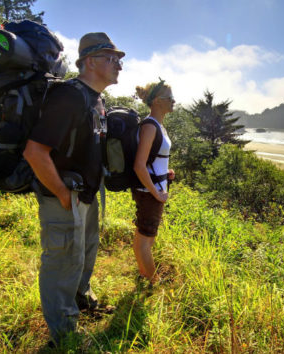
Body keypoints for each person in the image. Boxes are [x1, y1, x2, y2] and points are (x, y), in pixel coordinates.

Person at [23, 32, 124, 345]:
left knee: (83, 256)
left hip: (86, 196)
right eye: (111, 58)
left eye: (119, 59)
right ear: (90, 62)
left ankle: (82, 299)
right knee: (63, 263)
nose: (118, 64)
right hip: (64, 195)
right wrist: (62, 195)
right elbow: (35, 152)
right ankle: (65, 337)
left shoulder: (96, 99)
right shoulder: (69, 95)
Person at [133, 79, 175, 284]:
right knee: (144, 239)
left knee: (148, 237)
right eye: (170, 98)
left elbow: (153, 160)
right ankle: (153, 283)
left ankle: (144, 276)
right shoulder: (150, 126)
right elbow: (139, 165)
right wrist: (156, 193)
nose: (174, 101)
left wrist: (165, 173)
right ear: (157, 101)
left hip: (155, 189)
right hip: (149, 191)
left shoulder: (158, 125)